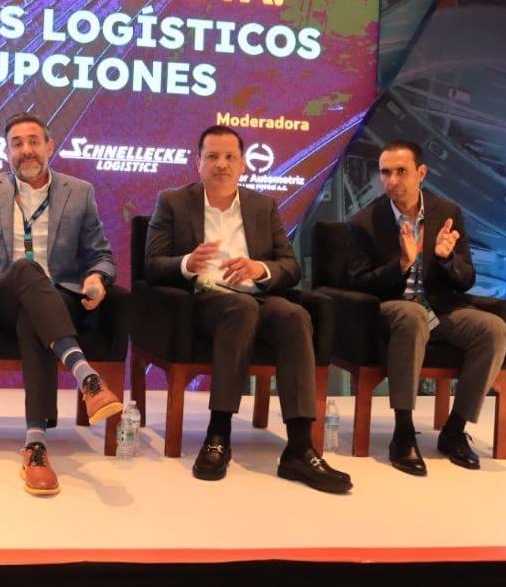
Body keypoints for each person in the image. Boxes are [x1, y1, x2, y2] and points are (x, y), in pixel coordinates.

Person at [144, 124, 351, 493]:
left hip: (257, 296)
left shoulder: (262, 205)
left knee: (294, 316)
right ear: (197, 162)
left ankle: (300, 448)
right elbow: (152, 264)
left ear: (242, 164)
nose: (221, 164)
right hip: (204, 301)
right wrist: (187, 262)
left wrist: (260, 269)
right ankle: (218, 435)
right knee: (239, 308)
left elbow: (290, 267)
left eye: (230, 157)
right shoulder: (173, 202)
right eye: (212, 156)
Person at [0, 112, 123, 497]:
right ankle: (86, 376)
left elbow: (102, 256)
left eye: (34, 142)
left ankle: (35, 444)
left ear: (49, 147)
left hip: (58, 301)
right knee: (26, 268)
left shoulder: (79, 192)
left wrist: (97, 277)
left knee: (35, 315)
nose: (26, 150)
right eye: (17, 144)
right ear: (7, 151)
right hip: (0, 299)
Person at [347, 139, 506, 475]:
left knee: (494, 330)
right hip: (393, 310)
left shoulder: (447, 213)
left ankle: (454, 429)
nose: (392, 180)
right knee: (412, 314)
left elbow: (466, 279)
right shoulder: (365, 221)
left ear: (421, 173)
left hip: (441, 309)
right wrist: (401, 264)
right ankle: (403, 433)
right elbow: (359, 283)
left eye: (401, 171)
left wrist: (447, 259)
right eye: (385, 173)